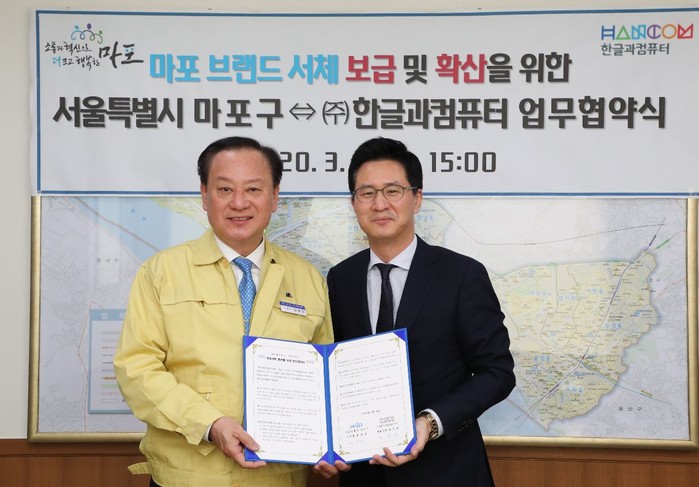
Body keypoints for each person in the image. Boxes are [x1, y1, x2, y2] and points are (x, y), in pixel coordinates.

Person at [114, 136, 333, 487]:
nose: (239, 203)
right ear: (204, 195)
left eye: (253, 189)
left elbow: (325, 378)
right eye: (225, 189)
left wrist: (330, 442)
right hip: (188, 478)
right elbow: (136, 369)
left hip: (278, 478)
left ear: (275, 196)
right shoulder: (162, 272)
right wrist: (209, 424)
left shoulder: (308, 278)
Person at [314, 137, 515, 486]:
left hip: (447, 473)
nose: (380, 204)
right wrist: (327, 443)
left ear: (417, 198)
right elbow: (336, 370)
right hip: (364, 475)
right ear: (353, 203)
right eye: (367, 193)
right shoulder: (341, 279)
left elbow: (497, 372)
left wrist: (430, 422)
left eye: (393, 191)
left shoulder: (461, 275)